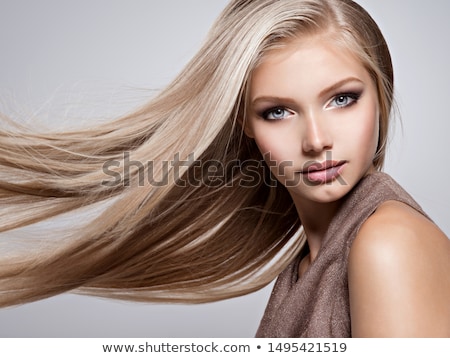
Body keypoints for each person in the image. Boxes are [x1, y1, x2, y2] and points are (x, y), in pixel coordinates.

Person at [0, 0, 449, 337]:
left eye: (342, 99)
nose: (316, 141)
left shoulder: (387, 243)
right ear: (245, 123)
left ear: (381, 94)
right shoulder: (309, 259)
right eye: (278, 111)